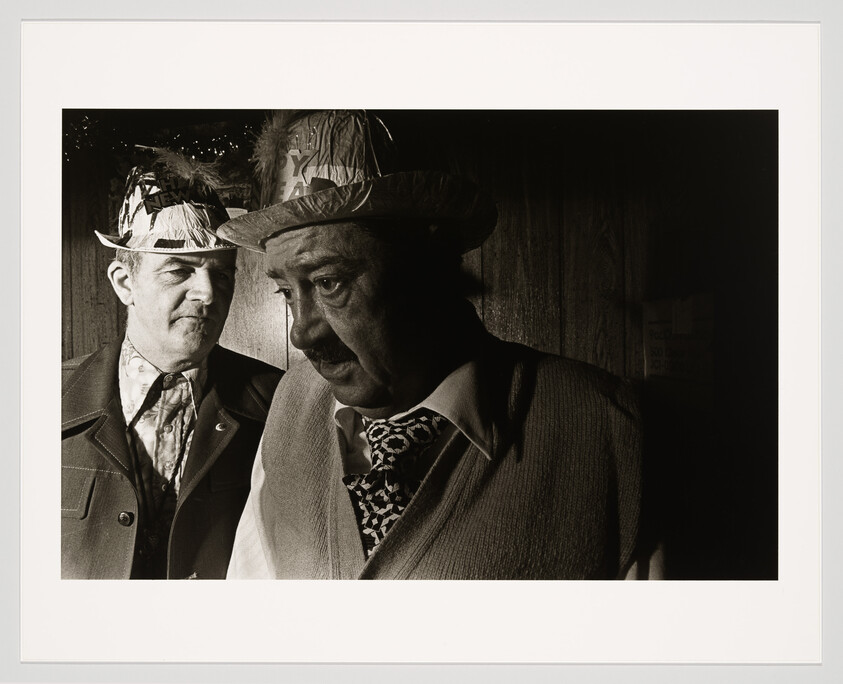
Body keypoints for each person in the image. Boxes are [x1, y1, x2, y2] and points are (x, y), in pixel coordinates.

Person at [220, 110, 656, 579]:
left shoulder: (606, 431)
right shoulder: (290, 405)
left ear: (430, 263)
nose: (302, 333)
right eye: (287, 292)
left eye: (330, 283)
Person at [61, 150, 282, 579]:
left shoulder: (279, 403)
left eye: (222, 275)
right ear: (126, 283)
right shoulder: (34, 401)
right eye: (179, 271)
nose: (208, 294)